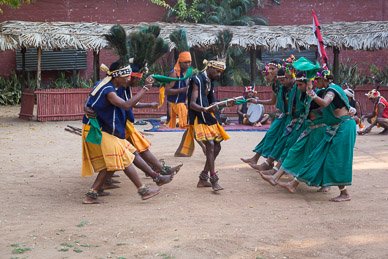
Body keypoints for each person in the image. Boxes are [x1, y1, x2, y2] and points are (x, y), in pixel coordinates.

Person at [82, 61, 163, 204]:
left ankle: (91, 195)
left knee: (125, 156)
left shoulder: (109, 85)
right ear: (117, 77)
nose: (128, 79)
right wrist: (145, 89)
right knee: (124, 157)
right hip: (98, 129)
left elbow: (91, 100)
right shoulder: (108, 90)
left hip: (103, 128)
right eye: (126, 76)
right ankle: (144, 189)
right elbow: (126, 105)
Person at [276, 69, 356, 202]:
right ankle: (293, 184)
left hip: (344, 127)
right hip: (337, 127)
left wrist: (311, 94)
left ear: (322, 79)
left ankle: (345, 193)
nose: (314, 84)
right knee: (318, 154)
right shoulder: (327, 90)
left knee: (335, 159)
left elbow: (324, 103)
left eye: (315, 81)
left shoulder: (332, 89)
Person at [259, 70, 327, 192]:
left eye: (300, 85)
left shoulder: (320, 93)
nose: (298, 87)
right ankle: (277, 177)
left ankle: (326, 185)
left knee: (314, 156)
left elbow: (326, 110)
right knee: (294, 151)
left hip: (318, 130)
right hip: (308, 127)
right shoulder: (305, 93)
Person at [179, 58, 235, 191]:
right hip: (199, 116)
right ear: (209, 68)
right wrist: (205, 109)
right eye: (217, 71)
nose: (219, 74)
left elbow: (210, 101)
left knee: (217, 147)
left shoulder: (210, 81)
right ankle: (213, 179)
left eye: (220, 72)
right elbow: (192, 104)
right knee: (210, 144)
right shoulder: (197, 80)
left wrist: (225, 103)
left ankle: (203, 178)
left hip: (209, 116)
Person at [240, 60, 283, 167]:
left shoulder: (283, 83)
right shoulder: (275, 85)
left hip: (285, 116)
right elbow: (273, 101)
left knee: (273, 137)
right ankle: (258, 160)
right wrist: (257, 101)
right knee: (270, 136)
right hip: (281, 116)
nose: (269, 72)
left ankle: (269, 163)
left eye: (272, 69)